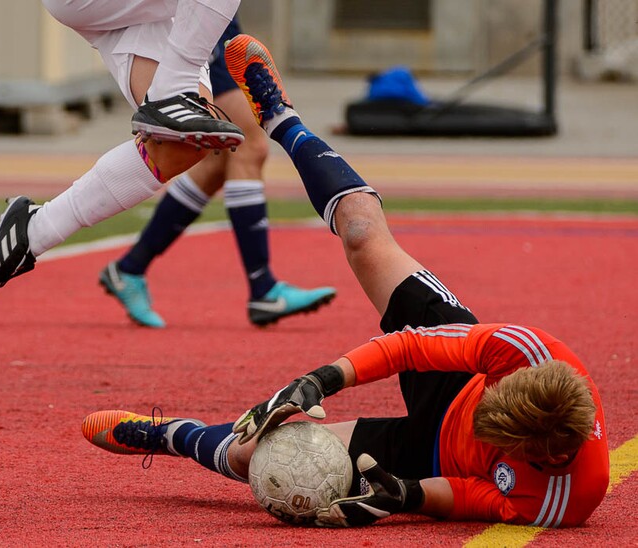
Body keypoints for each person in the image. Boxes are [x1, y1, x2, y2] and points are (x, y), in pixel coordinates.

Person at [81, 35, 610, 528]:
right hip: (457, 378)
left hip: (427, 454)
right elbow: (409, 346)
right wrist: (321, 380)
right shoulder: (528, 352)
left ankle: (168, 435)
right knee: (362, 234)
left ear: (545, 457)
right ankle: (283, 118)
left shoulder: (566, 499)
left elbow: (469, 495)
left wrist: (403, 496)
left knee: (258, 456)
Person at [0, 0, 245, 309]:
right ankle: (172, 91)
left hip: (147, 15)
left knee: (183, 146)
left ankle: (33, 231)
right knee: (180, 114)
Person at [99, 17, 336, 328]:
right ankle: (263, 287)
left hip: (212, 17)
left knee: (219, 160)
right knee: (250, 143)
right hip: (201, 16)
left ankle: (130, 268)